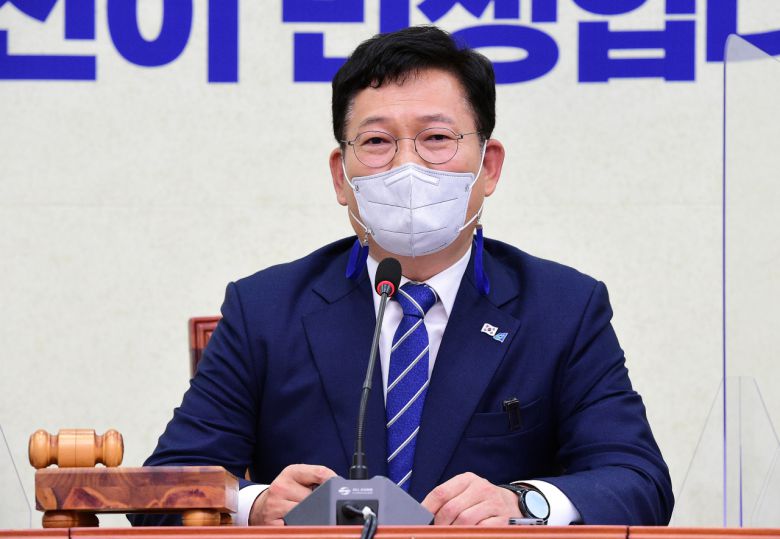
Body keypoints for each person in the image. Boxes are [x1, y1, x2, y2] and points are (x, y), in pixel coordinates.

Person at [132, 25, 673, 527]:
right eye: (376, 142)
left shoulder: (563, 308)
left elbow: (638, 482)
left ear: (488, 167)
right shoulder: (265, 309)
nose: (406, 167)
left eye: (436, 138)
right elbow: (163, 485)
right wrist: (254, 504)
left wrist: (524, 503)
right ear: (340, 177)